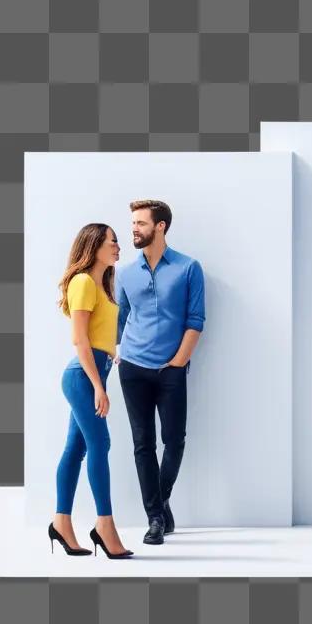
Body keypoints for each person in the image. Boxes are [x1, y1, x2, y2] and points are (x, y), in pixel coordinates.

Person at [116, 200, 205, 546]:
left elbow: (195, 320)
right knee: (142, 445)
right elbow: (121, 318)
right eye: (133, 223)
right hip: (134, 368)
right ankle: (155, 517)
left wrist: (178, 362)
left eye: (140, 223)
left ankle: (161, 499)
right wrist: (115, 355)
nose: (134, 229)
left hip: (172, 369)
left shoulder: (188, 268)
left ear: (161, 226)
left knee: (174, 440)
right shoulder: (125, 272)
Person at [51, 224, 133, 559]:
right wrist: (99, 386)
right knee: (101, 442)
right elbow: (79, 339)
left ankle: (61, 523)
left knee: (76, 448)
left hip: (96, 370)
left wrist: (111, 353)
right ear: (95, 245)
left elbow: (98, 336)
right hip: (82, 377)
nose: (118, 247)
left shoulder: (102, 284)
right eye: (113, 241)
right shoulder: (83, 281)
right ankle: (104, 524)